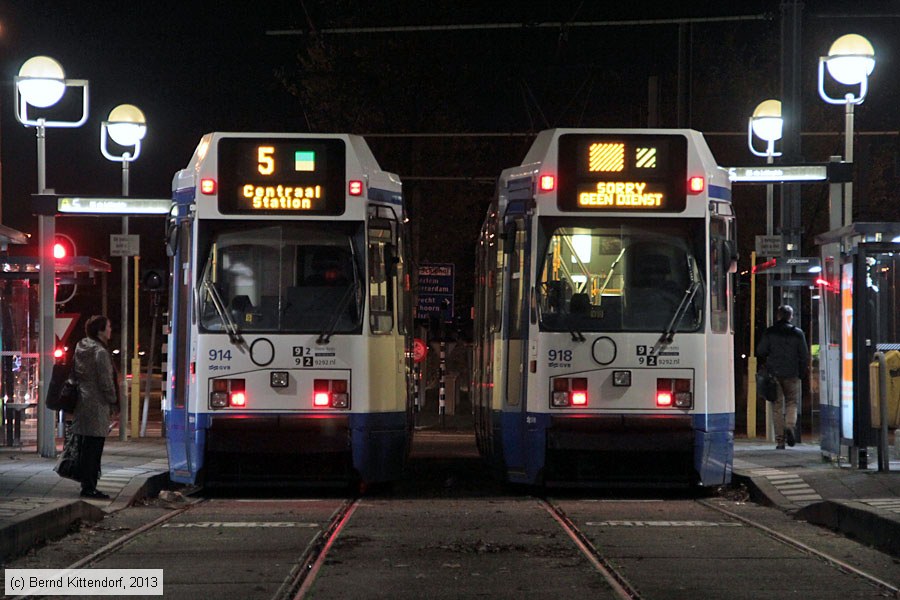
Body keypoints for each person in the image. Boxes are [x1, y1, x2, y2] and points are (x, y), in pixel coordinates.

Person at [71, 315, 119, 499]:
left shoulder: (81, 347)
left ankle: (86, 484)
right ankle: (89, 487)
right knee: (94, 448)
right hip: (97, 404)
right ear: (100, 331)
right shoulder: (100, 352)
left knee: (85, 447)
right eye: (108, 327)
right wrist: (113, 400)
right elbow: (106, 381)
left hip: (82, 401)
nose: (110, 330)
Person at [756, 305, 809, 449]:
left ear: (778, 316)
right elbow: (804, 355)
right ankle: (790, 426)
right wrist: (801, 373)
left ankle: (780, 440)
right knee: (792, 403)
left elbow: (760, 350)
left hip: (774, 374)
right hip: (792, 374)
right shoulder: (798, 333)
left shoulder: (770, 332)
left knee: (777, 406)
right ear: (791, 316)